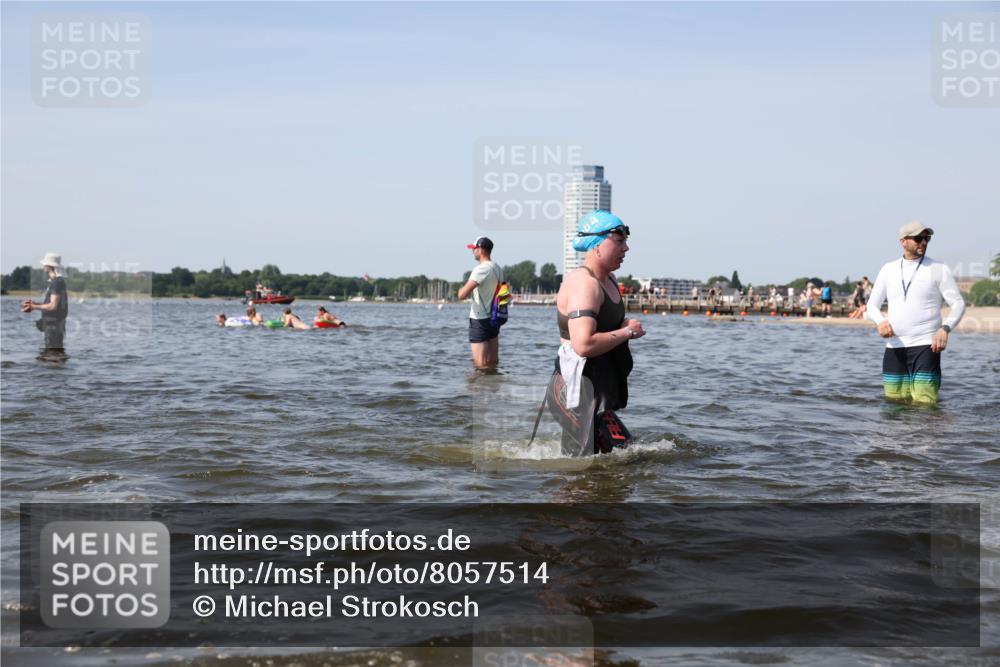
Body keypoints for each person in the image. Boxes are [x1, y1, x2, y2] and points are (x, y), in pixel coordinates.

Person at [553, 211, 645, 455]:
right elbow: (583, 344)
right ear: (596, 244)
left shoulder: (610, 280)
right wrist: (627, 332)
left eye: (625, 241)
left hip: (598, 389)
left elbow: (602, 324)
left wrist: (622, 323)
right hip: (576, 392)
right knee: (580, 470)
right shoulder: (585, 284)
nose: (625, 248)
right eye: (619, 241)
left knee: (620, 458)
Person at [866, 221, 966, 405]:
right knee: (894, 404)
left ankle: (927, 435)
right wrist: (880, 321)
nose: (924, 242)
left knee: (925, 404)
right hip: (894, 346)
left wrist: (945, 328)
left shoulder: (939, 269)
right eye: (918, 238)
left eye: (927, 238)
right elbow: (872, 305)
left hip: (926, 346)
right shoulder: (888, 269)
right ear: (903, 241)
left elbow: (958, 303)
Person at [457, 236, 504, 369]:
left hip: (479, 320)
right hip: (495, 319)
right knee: (493, 362)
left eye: (474, 248)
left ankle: (479, 389)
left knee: (480, 364)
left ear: (481, 250)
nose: (473, 251)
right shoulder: (498, 269)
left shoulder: (481, 270)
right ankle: (492, 388)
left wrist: (460, 289)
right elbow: (505, 294)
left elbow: (462, 294)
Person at [21, 252, 68, 357]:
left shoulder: (56, 282)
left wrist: (33, 307)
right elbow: (53, 304)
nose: (43, 265)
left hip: (53, 326)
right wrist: (35, 303)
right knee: (54, 354)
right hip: (54, 324)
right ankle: (56, 372)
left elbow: (53, 306)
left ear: (49, 266)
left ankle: (53, 372)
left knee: (52, 355)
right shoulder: (56, 281)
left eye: (45, 263)